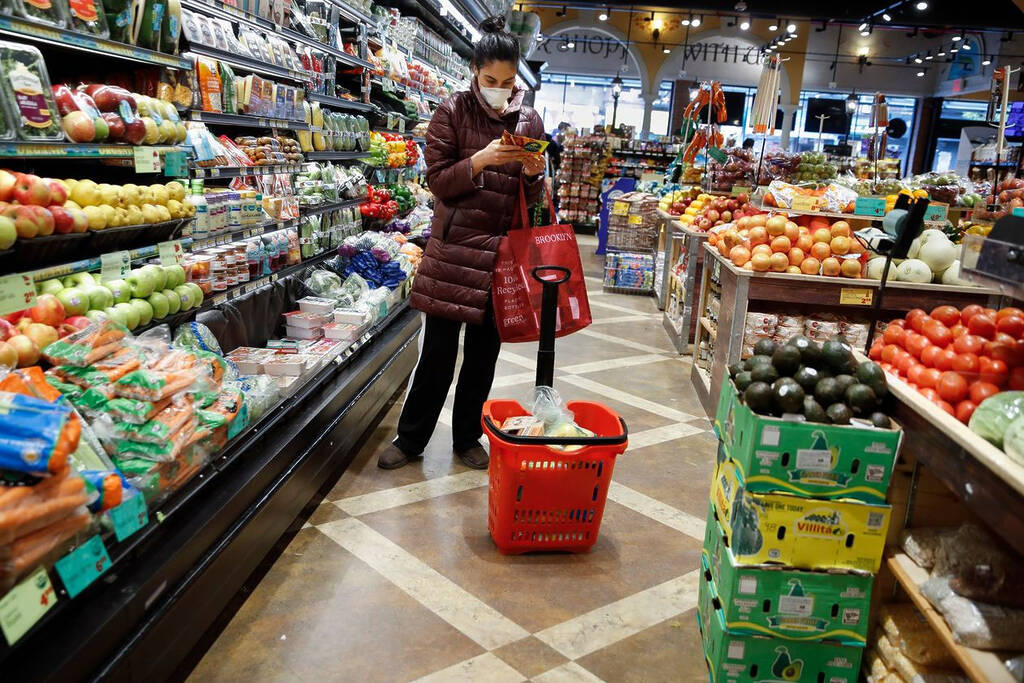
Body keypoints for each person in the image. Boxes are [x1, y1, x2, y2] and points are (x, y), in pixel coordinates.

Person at [376, 16, 545, 470]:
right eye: (491, 80)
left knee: (483, 358)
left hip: (501, 258)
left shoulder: (528, 118)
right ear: (474, 70)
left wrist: (533, 174)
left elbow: (533, 201)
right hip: (454, 253)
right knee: (437, 356)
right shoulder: (451, 111)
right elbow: (438, 182)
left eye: (508, 82)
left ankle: (468, 437)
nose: (500, 89)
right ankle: (410, 440)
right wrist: (481, 159)